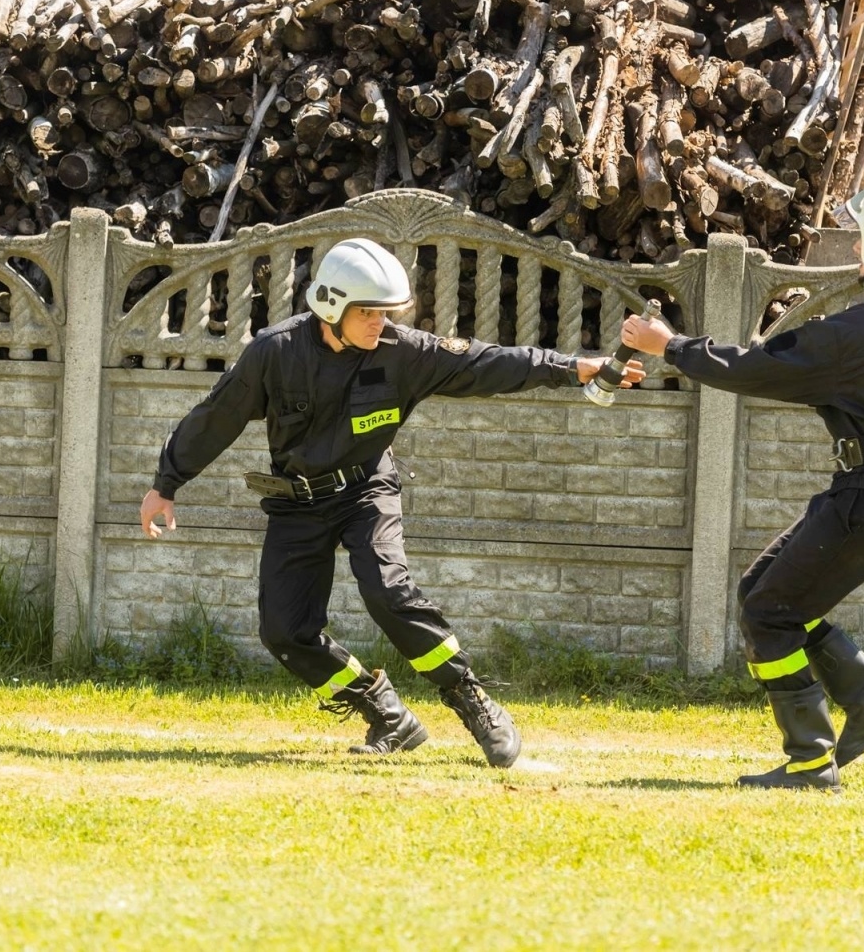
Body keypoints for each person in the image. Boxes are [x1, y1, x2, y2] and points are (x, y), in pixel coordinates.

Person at [140, 237, 643, 768]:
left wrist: (572, 367)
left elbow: (486, 362)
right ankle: (384, 712)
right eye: (368, 313)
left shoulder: (404, 351)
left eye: (385, 312)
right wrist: (166, 483)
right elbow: (216, 416)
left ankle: (472, 699)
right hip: (299, 501)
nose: (379, 323)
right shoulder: (275, 352)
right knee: (284, 632)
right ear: (330, 306)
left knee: (388, 592)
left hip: (366, 491)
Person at [620, 179, 864, 790]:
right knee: (762, 591)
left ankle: (812, 760)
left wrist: (670, 346)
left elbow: (753, 368)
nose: (856, 249)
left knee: (770, 614)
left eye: (862, 239)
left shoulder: (851, 334)